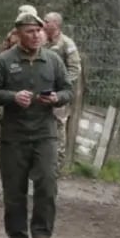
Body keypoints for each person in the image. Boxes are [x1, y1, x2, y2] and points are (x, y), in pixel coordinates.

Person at [0, 11, 73, 238]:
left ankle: (42, 236)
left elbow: (68, 90)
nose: (35, 35)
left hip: (45, 133)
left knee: (47, 184)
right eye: (30, 31)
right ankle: (17, 237)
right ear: (19, 33)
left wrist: (56, 98)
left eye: (38, 31)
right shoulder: (4, 60)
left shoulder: (52, 60)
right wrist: (12, 97)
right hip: (14, 134)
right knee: (14, 188)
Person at [0, 4, 41, 155]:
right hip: (7, 81)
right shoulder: (11, 36)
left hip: (28, 82)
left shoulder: (38, 37)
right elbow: (1, 56)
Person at [43, 12, 83, 166]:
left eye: (47, 21)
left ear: (56, 24)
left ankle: (57, 161)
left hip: (58, 91)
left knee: (59, 122)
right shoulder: (41, 40)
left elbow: (75, 68)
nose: (44, 23)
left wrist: (63, 85)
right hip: (42, 88)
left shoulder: (67, 43)